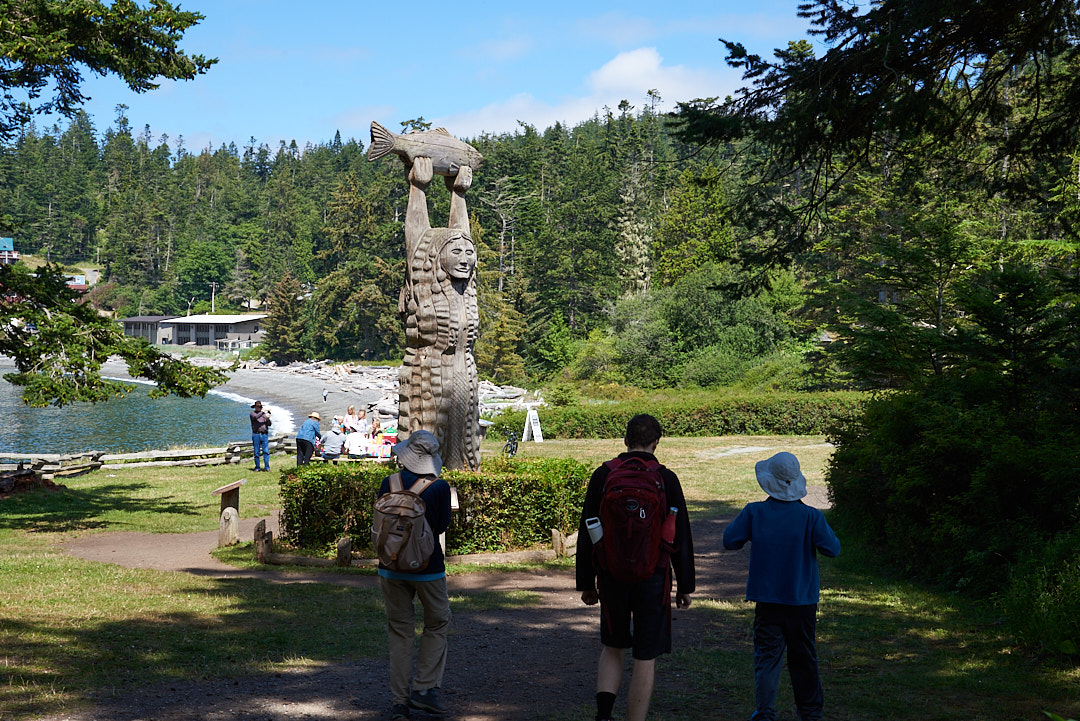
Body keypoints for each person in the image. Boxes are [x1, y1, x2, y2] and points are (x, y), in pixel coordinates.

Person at [576, 414, 695, 721]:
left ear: (625, 440)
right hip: (653, 577)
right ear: (657, 442)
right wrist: (685, 586)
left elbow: (588, 528)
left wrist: (587, 582)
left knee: (612, 647)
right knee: (645, 655)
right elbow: (680, 534)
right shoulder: (666, 478)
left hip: (611, 574)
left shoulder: (604, 474)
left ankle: (604, 715)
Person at [722, 452, 841, 721]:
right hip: (802, 601)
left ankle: (765, 712)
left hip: (768, 599)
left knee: (767, 657)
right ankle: (810, 712)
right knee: (804, 656)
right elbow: (833, 549)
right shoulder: (811, 517)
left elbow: (730, 540)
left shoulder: (755, 512)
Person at [376, 430, 452, 719]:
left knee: (399, 631)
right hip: (428, 568)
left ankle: (399, 701)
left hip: (390, 566)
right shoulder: (438, 487)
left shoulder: (389, 483)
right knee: (437, 622)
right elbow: (441, 526)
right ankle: (424, 688)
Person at [248, 400, 271, 472]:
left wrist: (267, 419)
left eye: (260, 407)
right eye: (258, 407)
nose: (259, 408)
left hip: (264, 434)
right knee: (256, 452)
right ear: (255, 407)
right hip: (256, 434)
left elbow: (269, 424)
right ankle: (257, 467)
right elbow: (256, 417)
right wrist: (263, 412)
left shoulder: (264, 415)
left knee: (266, 451)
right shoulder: (252, 414)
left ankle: (267, 467)